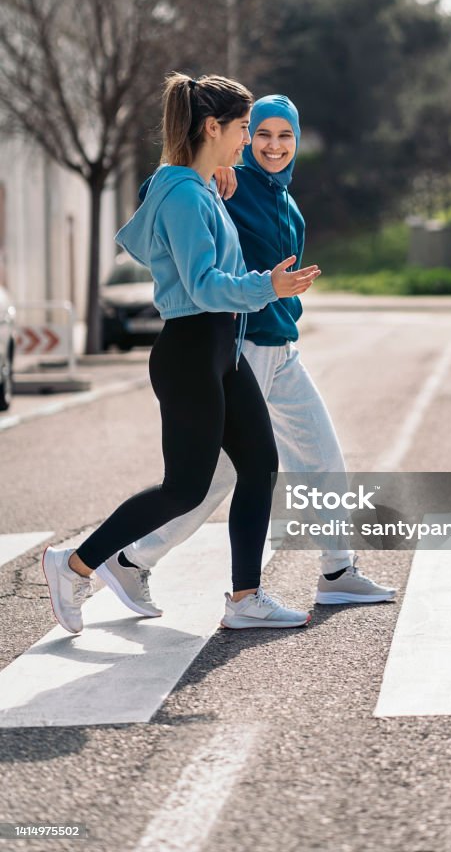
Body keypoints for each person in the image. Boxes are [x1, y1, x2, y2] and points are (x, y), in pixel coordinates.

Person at [42, 74, 321, 635]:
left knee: (260, 465)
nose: (247, 142)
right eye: (244, 129)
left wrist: (266, 282)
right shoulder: (184, 195)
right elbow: (203, 286)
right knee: (185, 488)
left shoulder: (196, 187)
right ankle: (73, 566)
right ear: (212, 128)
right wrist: (269, 287)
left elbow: (215, 264)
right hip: (191, 350)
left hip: (222, 349)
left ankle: (246, 597)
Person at [100, 94, 396, 617]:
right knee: (220, 478)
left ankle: (337, 570)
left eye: (285, 137)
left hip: (283, 348)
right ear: (246, 136)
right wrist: (212, 173)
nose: (273, 146)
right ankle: (130, 559)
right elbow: (159, 190)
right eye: (261, 134)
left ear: (297, 141)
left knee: (323, 455)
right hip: (244, 347)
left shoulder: (290, 205)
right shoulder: (226, 183)